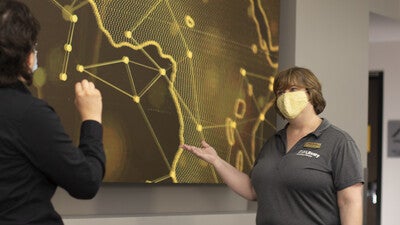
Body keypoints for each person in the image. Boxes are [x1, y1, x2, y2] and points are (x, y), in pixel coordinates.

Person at [181, 66, 364, 225]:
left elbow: (350, 203)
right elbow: (253, 190)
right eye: (280, 92)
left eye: (293, 89)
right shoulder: (273, 143)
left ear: (311, 93)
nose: (285, 97)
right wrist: (217, 161)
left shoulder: (339, 143)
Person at [0, 0, 105, 224]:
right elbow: (86, 182)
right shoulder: (28, 115)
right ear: (25, 55)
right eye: (33, 45)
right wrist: (92, 118)